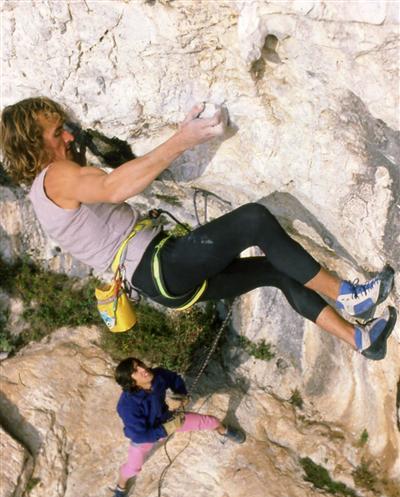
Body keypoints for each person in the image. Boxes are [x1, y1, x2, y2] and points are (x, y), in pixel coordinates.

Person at [0, 97, 397, 360]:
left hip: (163, 286)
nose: (69, 135)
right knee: (254, 219)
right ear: (34, 146)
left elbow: (102, 191)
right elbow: (112, 186)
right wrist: (184, 138)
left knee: (277, 271)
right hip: (160, 265)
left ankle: (360, 339)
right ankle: (351, 298)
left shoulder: (42, 194)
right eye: (57, 133)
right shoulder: (56, 175)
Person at [111, 356, 245, 497]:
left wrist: (181, 394)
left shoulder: (158, 375)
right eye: (135, 371)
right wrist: (166, 429)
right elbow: (139, 435)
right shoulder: (127, 405)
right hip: (147, 435)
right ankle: (120, 487)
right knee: (132, 469)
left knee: (211, 421)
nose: (143, 369)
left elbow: (174, 379)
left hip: (166, 418)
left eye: (140, 364)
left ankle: (223, 430)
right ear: (131, 382)